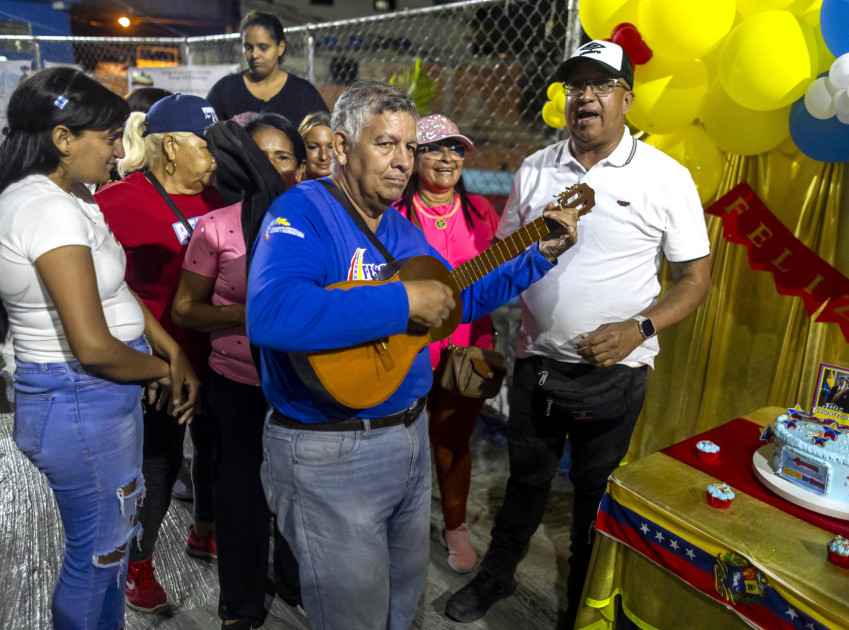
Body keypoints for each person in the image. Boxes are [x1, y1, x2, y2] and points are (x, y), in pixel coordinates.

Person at [246, 80, 580, 630]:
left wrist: (537, 256)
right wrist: (401, 301)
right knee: (353, 615)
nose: (403, 162)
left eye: (409, 148)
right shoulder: (303, 211)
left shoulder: (401, 230)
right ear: (343, 144)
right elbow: (272, 313)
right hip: (330, 449)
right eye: (386, 145)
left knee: (404, 601)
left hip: (407, 438)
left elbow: (456, 297)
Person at [446, 40, 712, 629]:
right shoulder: (538, 168)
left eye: (599, 85)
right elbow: (502, 255)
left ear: (626, 98)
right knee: (526, 480)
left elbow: (695, 281)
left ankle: (584, 599)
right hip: (536, 359)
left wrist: (637, 327)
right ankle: (498, 573)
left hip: (617, 372)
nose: (584, 96)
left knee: (595, 492)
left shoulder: (667, 178)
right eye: (574, 86)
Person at [0, 67, 198, 630]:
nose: (120, 150)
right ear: (63, 139)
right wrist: (159, 369)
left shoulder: (74, 196)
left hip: (95, 401)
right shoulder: (46, 209)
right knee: (99, 557)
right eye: (110, 138)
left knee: (109, 547)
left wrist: (167, 348)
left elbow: (114, 288)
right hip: (79, 400)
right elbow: (91, 345)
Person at [172, 113, 305, 629]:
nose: (269, 167)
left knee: (300, 493)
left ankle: (296, 585)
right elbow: (186, 308)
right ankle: (241, 604)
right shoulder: (217, 226)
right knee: (242, 496)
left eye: (283, 156)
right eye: (259, 154)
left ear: (300, 167)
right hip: (239, 384)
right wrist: (247, 315)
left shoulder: (316, 224)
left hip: (303, 385)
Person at [95, 93, 223, 613]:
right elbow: (101, 292)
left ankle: (205, 530)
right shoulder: (115, 203)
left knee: (215, 451)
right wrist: (147, 360)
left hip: (216, 355)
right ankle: (138, 564)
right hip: (159, 364)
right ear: (170, 145)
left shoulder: (220, 199)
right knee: (161, 462)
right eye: (205, 145)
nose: (214, 157)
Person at [393, 113, 498, 574]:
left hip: (470, 345)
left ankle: (455, 525)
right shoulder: (394, 212)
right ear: (415, 155)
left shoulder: (481, 214)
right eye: (435, 147)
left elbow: (497, 278)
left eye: (455, 149)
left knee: (453, 441)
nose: (447, 157)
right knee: (399, 441)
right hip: (410, 345)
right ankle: (399, 525)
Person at [207, 10, 329, 129]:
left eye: (263, 47)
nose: (254, 54)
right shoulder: (225, 89)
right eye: (248, 47)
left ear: (280, 47)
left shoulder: (304, 93)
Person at [298, 110, 333, 180]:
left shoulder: (353, 189)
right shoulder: (290, 189)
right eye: (313, 147)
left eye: (331, 147)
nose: (323, 156)